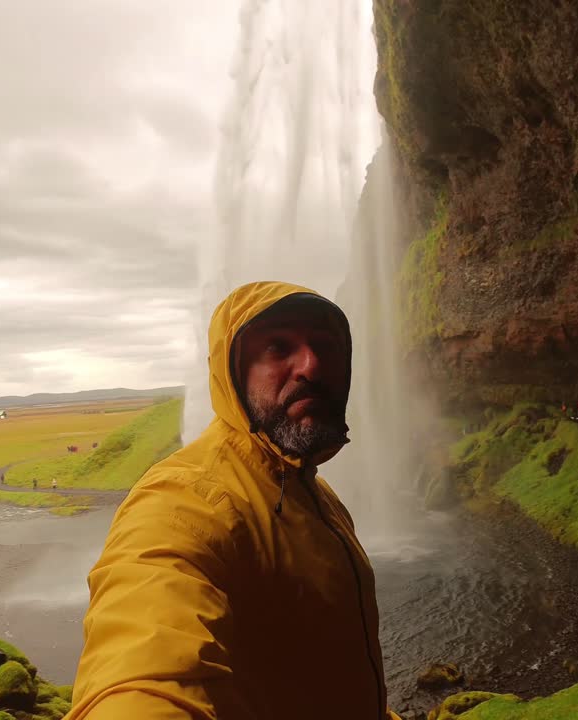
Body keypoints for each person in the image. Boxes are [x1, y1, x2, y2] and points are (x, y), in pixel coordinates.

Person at [70, 282, 400, 720]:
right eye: (278, 347)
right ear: (232, 373)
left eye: (325, 345)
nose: (311, 366)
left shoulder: (316, 495)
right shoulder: (183, 499)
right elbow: (145, 665)